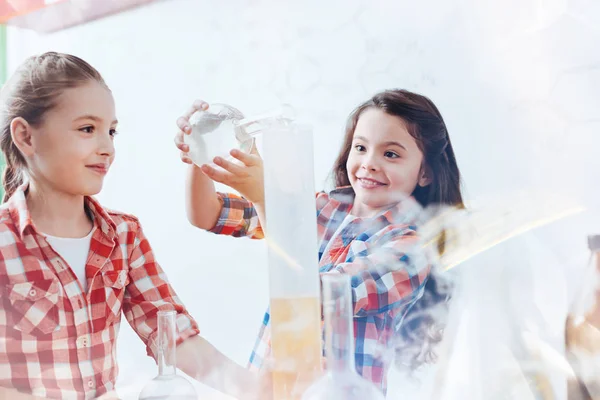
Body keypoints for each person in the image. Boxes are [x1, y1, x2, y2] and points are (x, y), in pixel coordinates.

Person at [0, 52, 264, 400]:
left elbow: (174, 337)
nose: (107, 147)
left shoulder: (124, 236)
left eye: (111, 131)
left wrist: (261, 391)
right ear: (26, 137)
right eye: (87, 129)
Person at [174, 89, 464, 393]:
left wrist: (265, 197)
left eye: (390, 154)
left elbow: (313, 298)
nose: (370, 163)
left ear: (426, 174)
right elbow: (207, 214)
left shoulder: (412, 247)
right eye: (361, 147)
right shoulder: (321, 207)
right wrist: (200, 153)